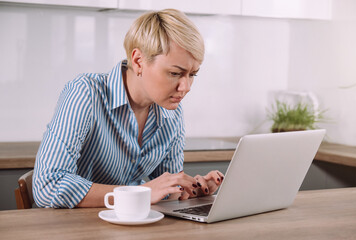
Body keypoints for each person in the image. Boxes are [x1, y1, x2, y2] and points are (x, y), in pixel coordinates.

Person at [33, 9, 224, 208]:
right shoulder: (85, 94)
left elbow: (163, 193)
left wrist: (189, 189)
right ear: (138, 61)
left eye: (193, 74)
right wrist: (139, 193)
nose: (185, 87)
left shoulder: (172, 112)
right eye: (175, 73)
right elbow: (48, 187)